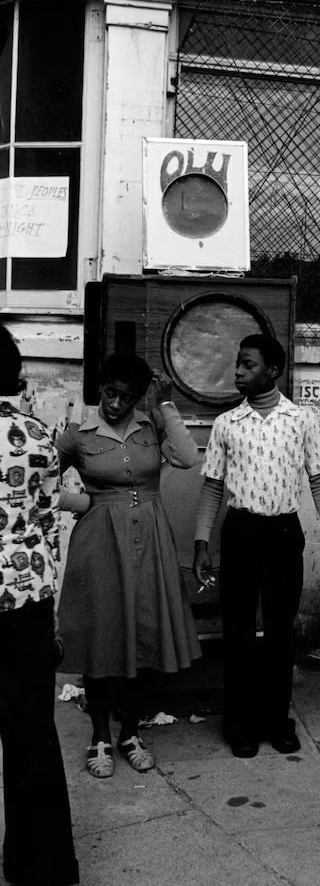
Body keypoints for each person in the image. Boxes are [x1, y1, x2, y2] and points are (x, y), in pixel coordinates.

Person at [192, 334, 320, 758]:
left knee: (280, 631)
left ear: (273, 371)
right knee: (238, 630)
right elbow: (212, 487)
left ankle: (277, 721)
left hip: (283, 534)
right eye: (238, 364)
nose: (238, 371)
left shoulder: (301, 420)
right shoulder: (227, 424)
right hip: (240, 533)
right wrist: (202, 542)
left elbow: (318, 479)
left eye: (248, 364)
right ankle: (239, 724)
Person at [57, 354, 201, 778]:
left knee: (144, 633)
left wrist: (166, 405)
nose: (116, 404)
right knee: (103, 635)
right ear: (100, 389)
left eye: (127, 397)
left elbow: (187, 458)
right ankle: (100, 734)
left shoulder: (151, 425)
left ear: (139, 397)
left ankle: (131, 732)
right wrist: (83, 502)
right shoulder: (77, 435)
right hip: (100, 543)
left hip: (152, 540)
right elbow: (38, 482)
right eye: (110, 393)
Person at [0, 325, 79, 885]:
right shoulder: (37, 437)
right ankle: (43, 865)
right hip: (26, 601)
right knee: (32, 734)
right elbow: (49, 527)